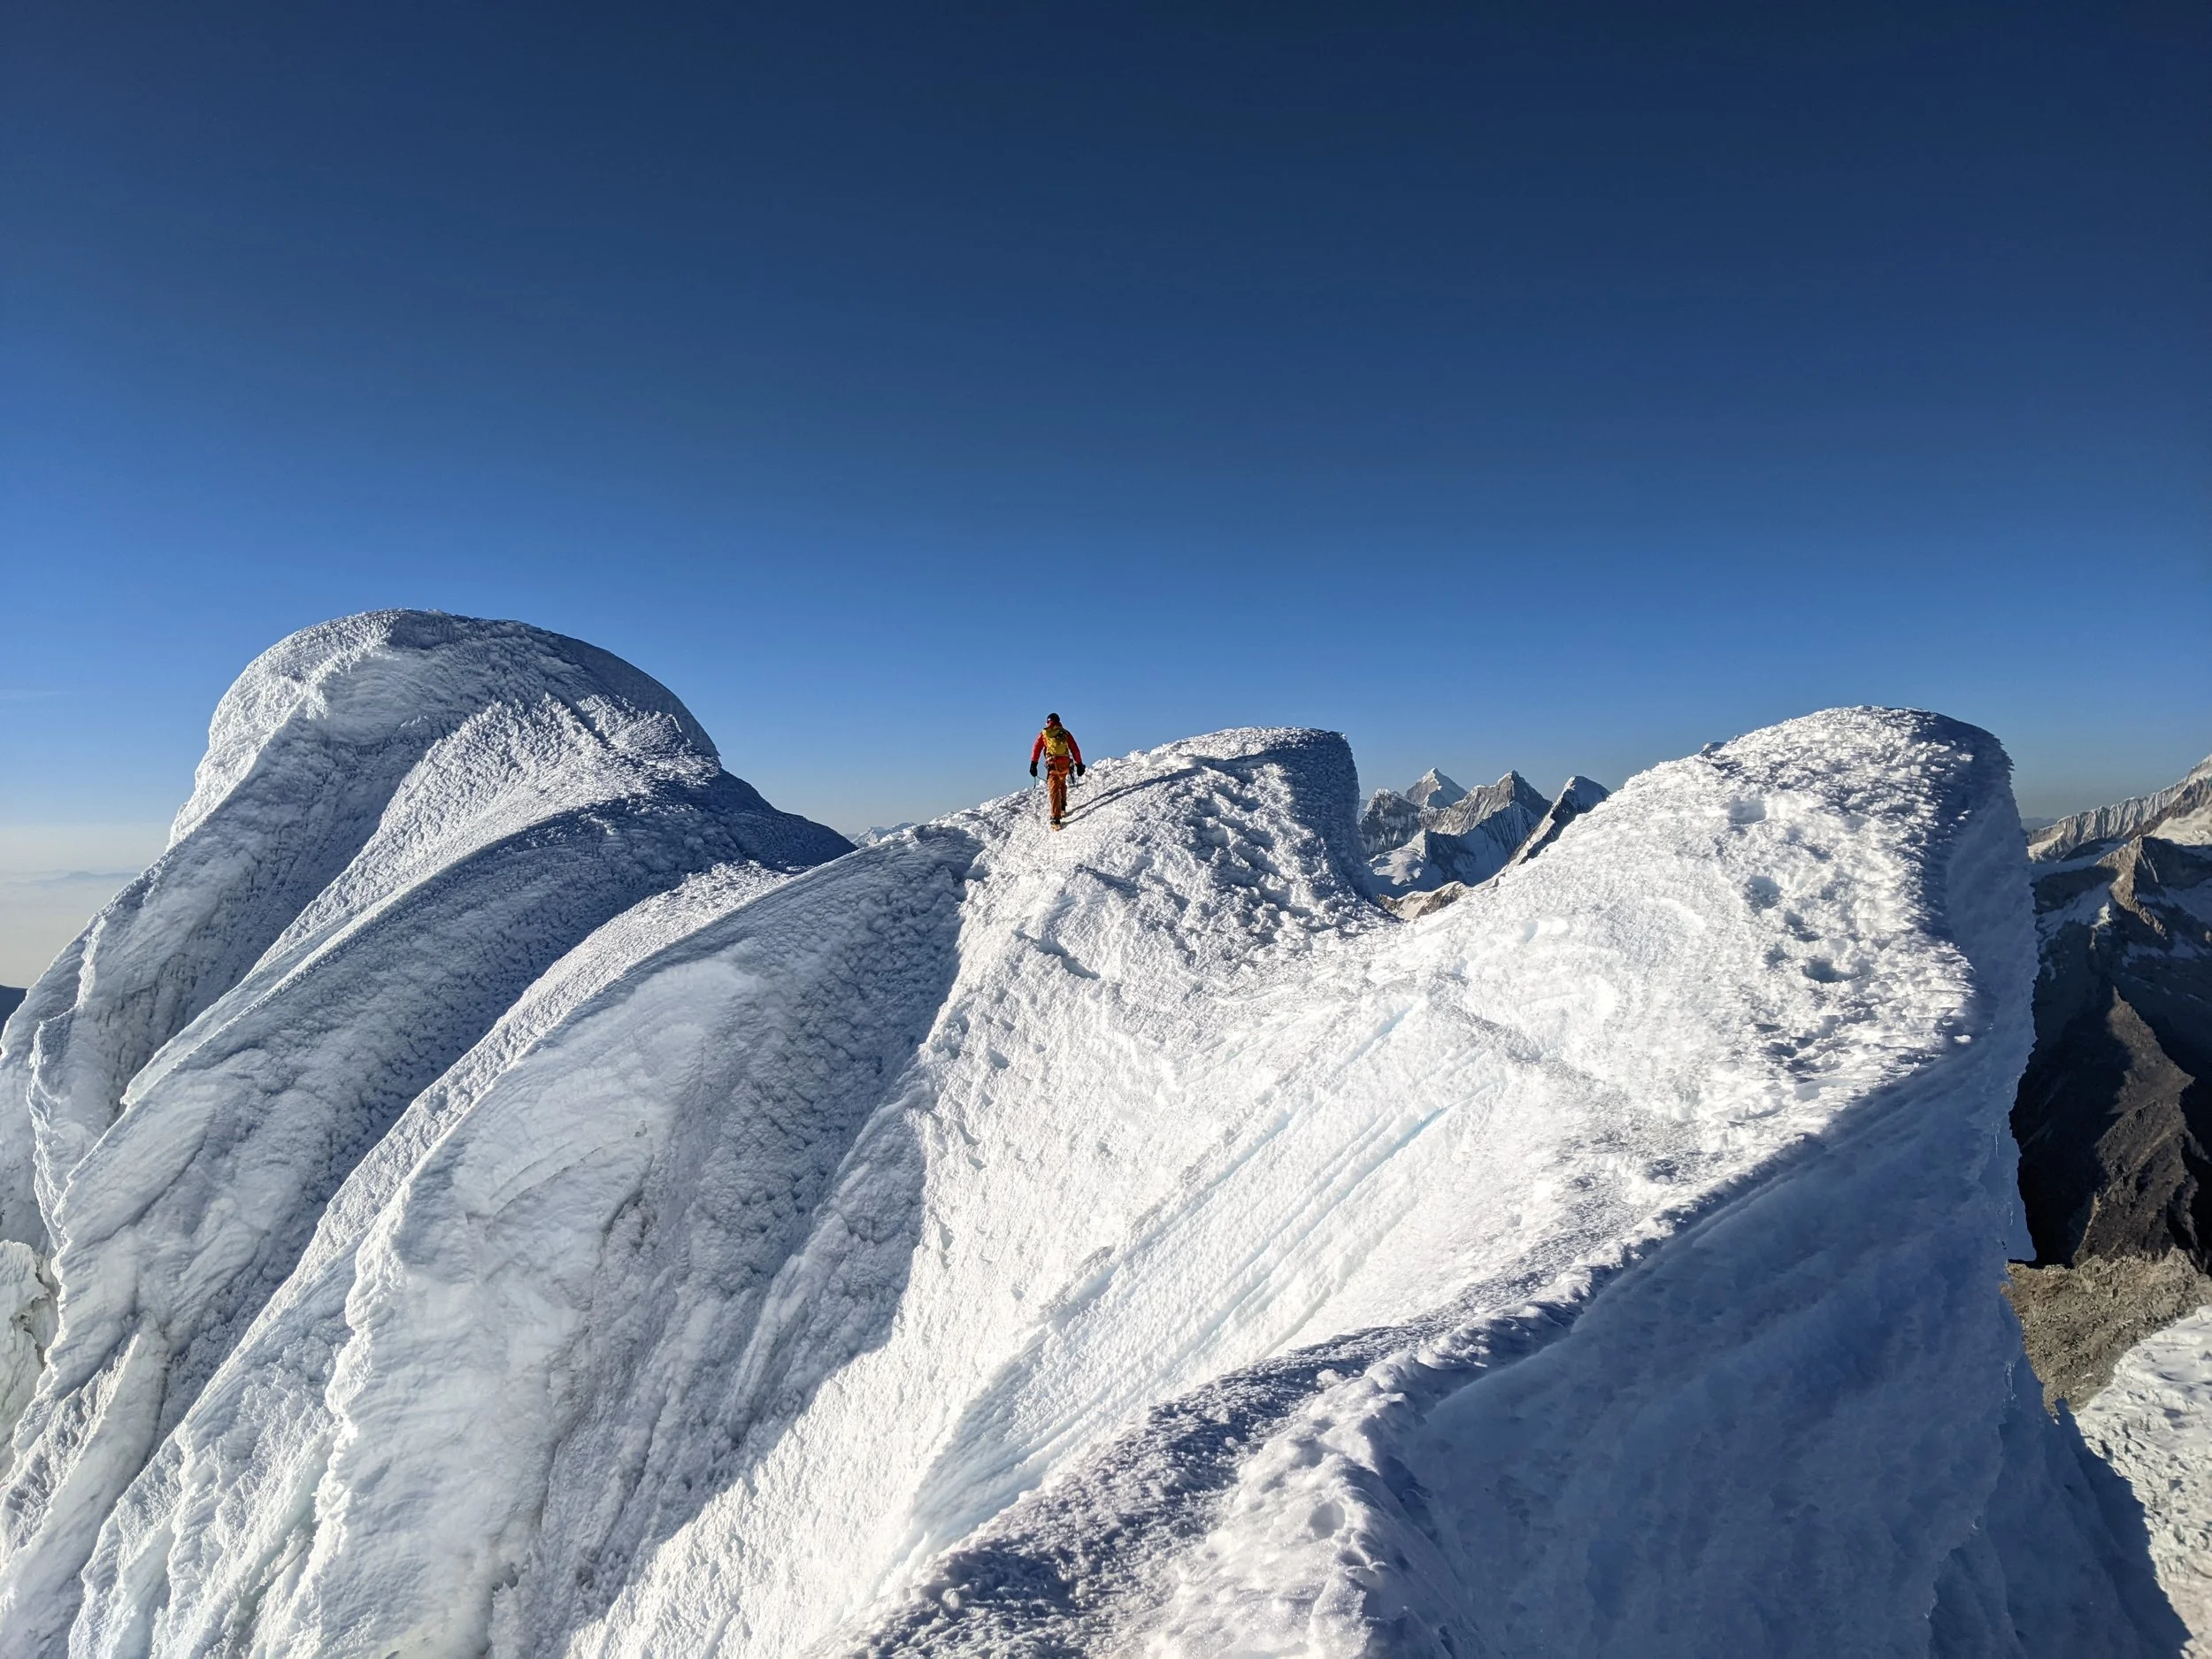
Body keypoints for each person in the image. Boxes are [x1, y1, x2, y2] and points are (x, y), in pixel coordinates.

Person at [1028, 712, 1086, 829]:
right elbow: (1075, 749)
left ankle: (1055, 818)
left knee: (1054, 788)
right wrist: (1079, 764)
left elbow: (1036, 748)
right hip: (1064, 763)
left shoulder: (1044, 733)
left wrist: (1033, 764)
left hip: (1052, 763)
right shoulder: (1065, 733)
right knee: (1062, 783)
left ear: (1047, 722)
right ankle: (1063, 807)